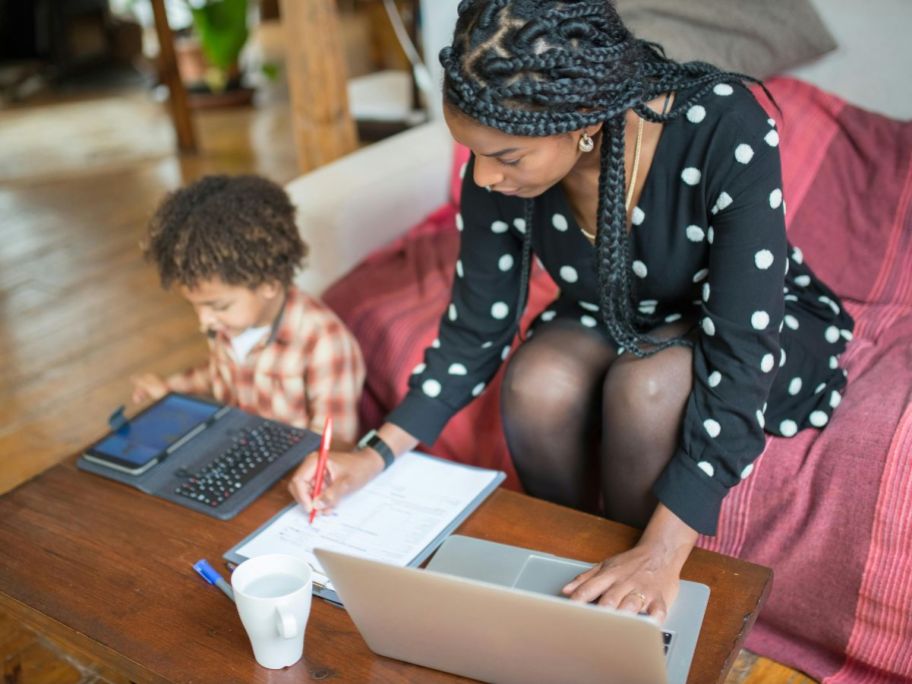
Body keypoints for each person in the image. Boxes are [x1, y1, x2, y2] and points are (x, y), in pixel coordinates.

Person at [289, 0, 853, 622]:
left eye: (506, 159)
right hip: (609, 310)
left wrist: (665, 552)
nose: (484, 178)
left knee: (647, 388)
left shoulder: (725, 127)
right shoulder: (501, 150)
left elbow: (744, 349)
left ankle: (639, 594)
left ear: (585, 121)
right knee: (538, 382)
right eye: (473, 154)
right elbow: (476, 327)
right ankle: (576, 580)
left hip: (745, 323)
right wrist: (373, 455)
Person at [132, 174, 365, 444]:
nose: (204, 322)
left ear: (268, 283)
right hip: (233, 448)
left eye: (218, 306)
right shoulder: (232, 323)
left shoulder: (324, 344)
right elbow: (220, 373)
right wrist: (170, 391)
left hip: (290, 471)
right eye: (194, 307)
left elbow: (333, 444)